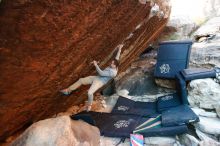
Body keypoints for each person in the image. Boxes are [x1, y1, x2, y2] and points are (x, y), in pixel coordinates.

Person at [60, 45, 123, 111]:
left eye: (112, 64)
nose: (111, 64)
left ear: (115, 66)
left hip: (100, 82)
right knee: (81, 80)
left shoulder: (113, 73)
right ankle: (68, 90)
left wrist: (96, 65)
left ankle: (89, 106)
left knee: (90, 93)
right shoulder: (116, 64)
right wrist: (120, 49)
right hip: (97, 78)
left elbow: (101, 73)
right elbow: (117, 57)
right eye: (112, 63)